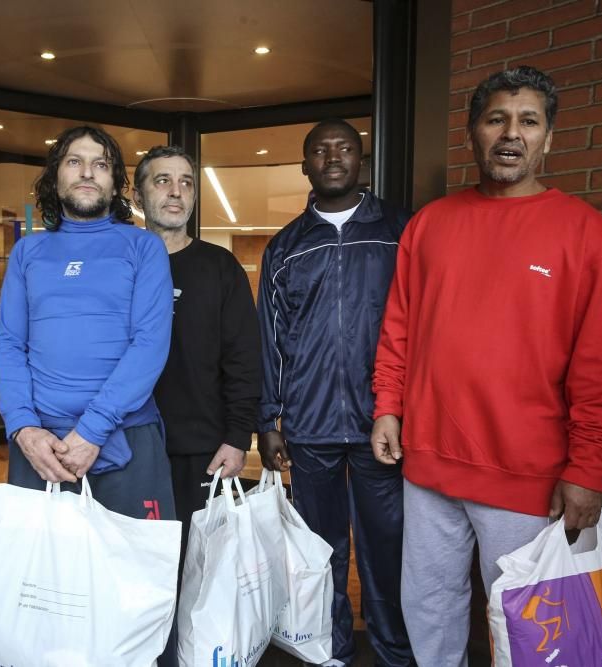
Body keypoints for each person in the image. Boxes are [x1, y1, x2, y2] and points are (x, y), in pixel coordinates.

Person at [370, 65, 602, 666]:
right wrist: (388, 405)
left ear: (548, 137)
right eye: (496, 119)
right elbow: (400, 328)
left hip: (526, 478)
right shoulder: (430, 224)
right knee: (429, 607)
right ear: (473, 133)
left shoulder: (587, 235)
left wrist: (588, 466)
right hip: (428, 462)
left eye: (528, 121)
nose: (511, 133)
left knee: (529, 628)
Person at [257, 119, 414, 667]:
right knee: (320, 554)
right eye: (319, 150)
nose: (332, 157)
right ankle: (331, 653)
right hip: (310, 427)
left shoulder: (400, 230)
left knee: (386, 552)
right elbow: (270, 341)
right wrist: (269, 419)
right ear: (305, 165)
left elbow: (420, 329)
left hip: (384, 427)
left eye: (344, 147)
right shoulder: (286, 248)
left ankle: (395, 653)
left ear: (361, 161)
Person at [0, 125, 174, 518]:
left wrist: (92, 430)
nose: (87, 172)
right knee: (41, 577)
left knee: (135, 576)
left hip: (126, 437)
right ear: (56, 179)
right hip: (39, 446)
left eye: (101, 164)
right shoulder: (28, 252)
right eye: (74, 162)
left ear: (115, 185)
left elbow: (150, 343)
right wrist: (23, 427)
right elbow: (8, 343)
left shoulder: (144, 247)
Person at [134, 144, 261, 568]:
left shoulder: (220, 267)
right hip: (125, 448)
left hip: (203, 449)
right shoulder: (121, 264)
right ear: (138, 196)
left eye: (186, 182)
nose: (176, 191)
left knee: (202, 574)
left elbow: (243, 357)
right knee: (138, 573)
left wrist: (239, 435)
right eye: (162, 180)